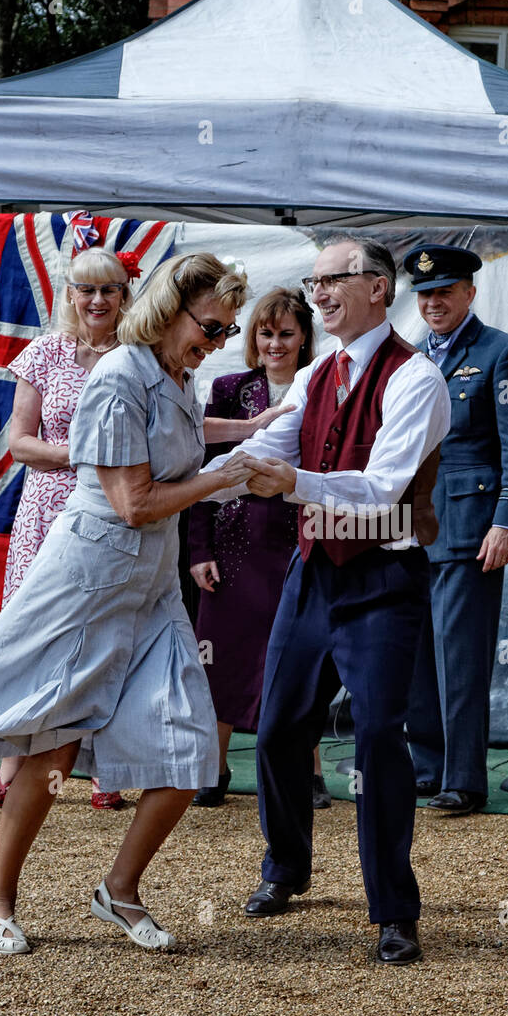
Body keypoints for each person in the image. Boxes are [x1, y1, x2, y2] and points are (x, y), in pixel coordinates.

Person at [0, 253, 254, 956]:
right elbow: (134, 503)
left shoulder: (177, 375)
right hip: (94, 576)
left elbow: (181, 453)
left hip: (152, 584)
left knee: (190, 752)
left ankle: (117, 891)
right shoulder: (120, 375)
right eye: (212, 328)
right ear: (172, 308)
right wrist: (229, 479)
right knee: (52, 746)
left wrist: (254, 432)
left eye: (227, 332)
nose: (218, 343)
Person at [201, 236, 449, 965]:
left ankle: (395, 911)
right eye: (314, 283)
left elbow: (384, 491)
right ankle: (286, 866)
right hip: (314, 575)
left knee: (376, 738)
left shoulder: (416, 380)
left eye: (332, 280)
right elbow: (266, 445)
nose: (319, 294)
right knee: (276, 727)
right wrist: (178, 475)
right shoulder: (315, 375)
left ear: (377, 286)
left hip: (383, 579)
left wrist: (296, 485)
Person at [0, 245, 140, 812]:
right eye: (87, 289)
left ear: (125, 295)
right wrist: (83, 453)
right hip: (47, 511)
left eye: (109, 289)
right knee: (33, 634)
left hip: (113, 510)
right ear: (70, 295)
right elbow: (17, 441)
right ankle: (12, 762)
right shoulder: (45, 352)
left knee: (103, 632)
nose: (98, 300)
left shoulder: (139, 354)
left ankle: (105, 768)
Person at [403, 244, 508, 815]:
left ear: (469, 293)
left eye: (445, 291)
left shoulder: (500, 354)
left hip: (468, 528)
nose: (434, 302)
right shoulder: (409, 359)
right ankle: (428, 768)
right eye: (426, 294)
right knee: (415, 660)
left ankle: (463, 780)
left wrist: (507, 522)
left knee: (459, 660)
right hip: (409, 528)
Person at [187, 287, 329, 810]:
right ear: (252, 338)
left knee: (299, 658)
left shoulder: (325, 386)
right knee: (219, 657)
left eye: (286, 333)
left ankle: (308, 771)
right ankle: (213, 766)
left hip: (300, 538)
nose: (275, 343)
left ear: (304, 337)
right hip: (232, 542)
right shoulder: (227, 388)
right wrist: (198, 550)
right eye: (266, 333)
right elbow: (200, 475)